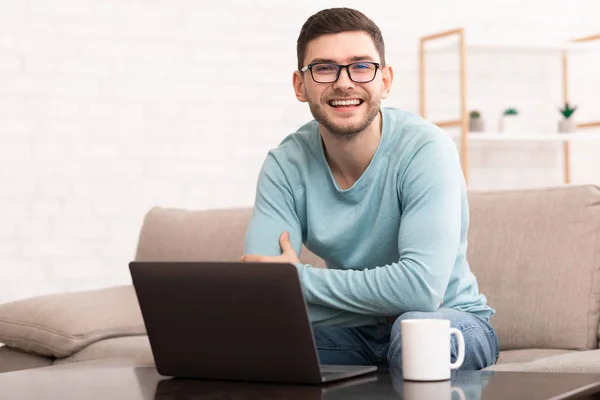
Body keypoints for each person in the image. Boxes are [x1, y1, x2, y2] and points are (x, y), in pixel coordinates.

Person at [241, 7, 500, 370]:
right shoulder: (285, 164)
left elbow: (419, 290)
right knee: (252, 341)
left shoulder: (426, 150)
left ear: (385, 80)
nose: (344, 82)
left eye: (361, 66)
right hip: (352, 328)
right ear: (301, 86)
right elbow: (264, 289)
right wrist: (282, 287)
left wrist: (297, 279)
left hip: (448, 320)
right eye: (324, 68)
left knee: (417, 334)